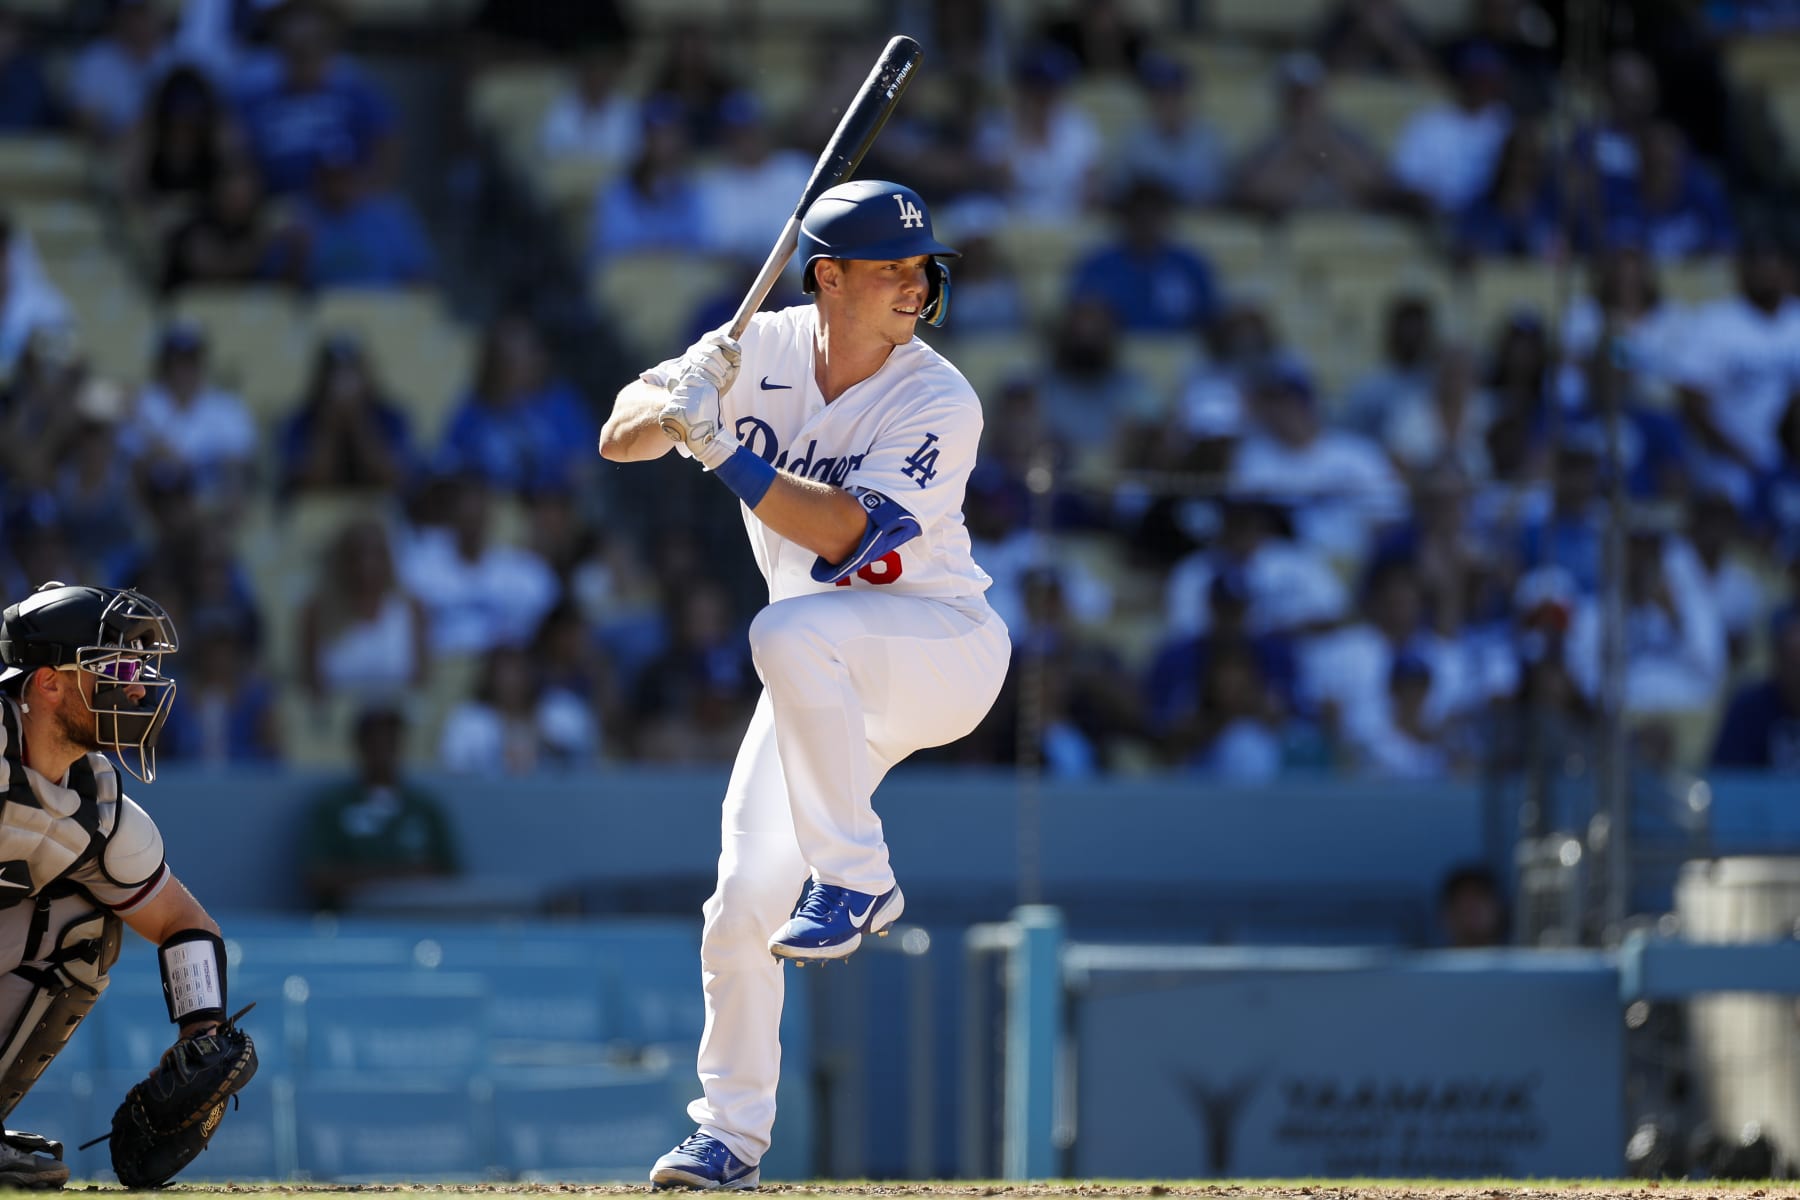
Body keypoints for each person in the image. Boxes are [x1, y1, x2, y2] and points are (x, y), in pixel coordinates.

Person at [598, 179, 1010, 1188]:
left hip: (937, 649)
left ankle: (859, 877)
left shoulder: (939, 396)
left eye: (923, 269)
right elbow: (618, 435)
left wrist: (720, 448)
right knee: (739, 904)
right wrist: (676, 393)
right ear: (828, 278)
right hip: (820, 675)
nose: (917, 285)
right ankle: (728, 1135)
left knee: (787, 628)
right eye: (892, 269)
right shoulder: (763, 348)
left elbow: (847, 536)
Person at [0, 582, 237, 1186]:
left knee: (86, 924)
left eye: (141, 666)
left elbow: (184, 924)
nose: (137, 685)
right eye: (118, 665)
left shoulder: (96, 804)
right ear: (49, 683)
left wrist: (202, 1038)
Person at [299, 702, 460, 911]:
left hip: (419, 924)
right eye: (374, 738)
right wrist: (398, 876)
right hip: (350, 929)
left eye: (391, 738)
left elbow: (450, 876)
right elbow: (318, 877)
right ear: (360, 744)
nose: (383, 747)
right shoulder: (333, 807)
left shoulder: (424, 808)